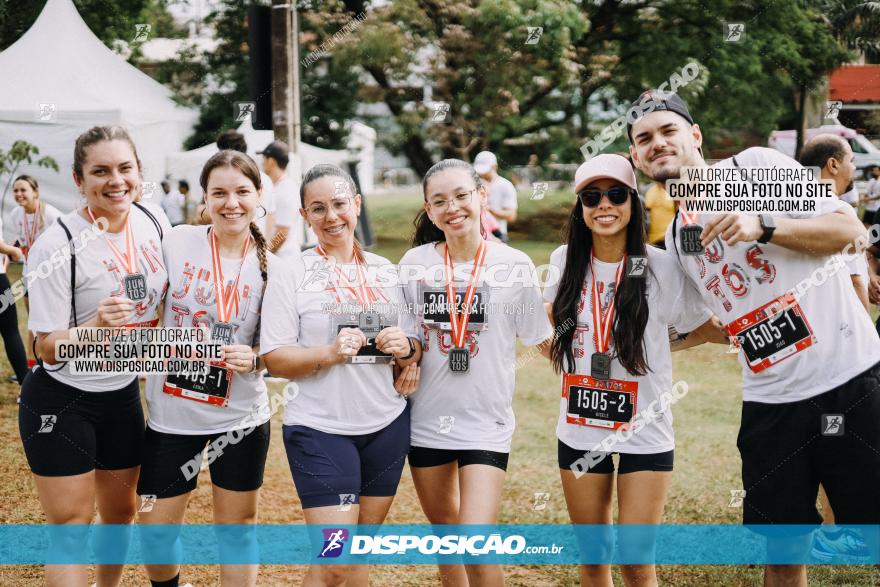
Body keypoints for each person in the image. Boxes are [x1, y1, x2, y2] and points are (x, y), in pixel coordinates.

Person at [628, 91, 880, 586]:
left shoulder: (753, 171)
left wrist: (763, 226)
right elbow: (705, 325)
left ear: (695, 136)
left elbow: (851, 231)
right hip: (771, 406)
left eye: (668, 131)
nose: (657, 144)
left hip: (850, 382)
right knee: (783, 557)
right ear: (636, 157)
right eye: (644, 139)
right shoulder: (680, 237)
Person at [543, 154, 722, 586]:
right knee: (593, 559)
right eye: (591, 197)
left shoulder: (662, 265)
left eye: (616, 194)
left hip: (646, 428)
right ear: (580, 208)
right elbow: (548, 318)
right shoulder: (564, 259)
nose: (604, 205)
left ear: (633, 202)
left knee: (637, 563)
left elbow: (703, 328)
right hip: (580, 428)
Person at [18, 126, 170, 586]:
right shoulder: (57, 243)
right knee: (71, 526)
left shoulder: (155, 219)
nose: (115, 180)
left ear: (139, 173)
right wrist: (96, 328)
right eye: (100, 171)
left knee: (121, 515)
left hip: (121, 395)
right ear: (79, 180)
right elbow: (46, 347)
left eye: (125, 168)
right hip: (61, 400)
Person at [261, 164, 420, 586]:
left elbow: (412, 344)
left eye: (339, 204)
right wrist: (328, 354)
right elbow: (275, 359)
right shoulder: (291, 272)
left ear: (357, 205)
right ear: (304, 216)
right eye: (318, 208)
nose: (331, 216)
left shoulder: (387, 271)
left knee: (352, 557)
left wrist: (407, 353)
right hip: (320, 429)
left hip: (385, 425)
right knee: (337, 559)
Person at [399, 159, 553, 586]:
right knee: (447, 537)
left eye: (462, 195)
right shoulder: (415, 263)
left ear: (481, 196)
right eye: (439, 201)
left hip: (487, 422)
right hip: (426, 421)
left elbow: (540, 337)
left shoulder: (515, 263)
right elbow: (407, 336)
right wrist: (404, 360)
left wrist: (590, 368)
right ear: (429, 211)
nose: (452, 208)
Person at [137, 150, 274, 587]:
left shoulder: (276, 268)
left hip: (241, 417)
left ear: (258, 196)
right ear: (205, 198)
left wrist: (255, 357)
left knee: (237, 532)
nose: (231, 202)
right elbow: (145, 298)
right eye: (219, 193)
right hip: (172, 416)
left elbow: (279, 348)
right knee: (155, 533)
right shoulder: (177, 240)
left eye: (241, 191)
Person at [799, 134, 870, 312]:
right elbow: (855, 281)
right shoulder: (836, 211)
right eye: (851, 160)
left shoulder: (796, 208)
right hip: (842, 321)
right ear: (833, 165)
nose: (854, 167)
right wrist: (867, 336)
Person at [9, 174, 62, 376]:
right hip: (28, 275)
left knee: (50, 320)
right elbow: (23, 243)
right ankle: (33, 365)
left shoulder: (51, 214)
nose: (19, 194)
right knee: (33, 320)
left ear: (35, 192)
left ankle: (51, 364)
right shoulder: (16, 214)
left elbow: (67, 243)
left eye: (23, 190)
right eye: (16, 190)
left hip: (50, 277)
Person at [217, 129, 275, 238]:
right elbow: (271, 217)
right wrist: (265, 246)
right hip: (257, 243)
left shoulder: (222, 179)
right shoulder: (265, 179)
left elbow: (205, 215)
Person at [259, 140, 304, 259]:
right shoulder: (280, 187)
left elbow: (282, 233)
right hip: (281, 257)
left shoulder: (286, 191)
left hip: (283, 259)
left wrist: (264, 256)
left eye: (264, 159)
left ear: (271, 161)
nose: (262, 163)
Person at [473, 151, 518, 241]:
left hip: (498, 236)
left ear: (494, 167)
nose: (481, 173)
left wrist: (488, 210)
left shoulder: (505, 185)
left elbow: (511, 216)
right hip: (476, 236)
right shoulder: (474, 184)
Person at [644, 181, 675, 248]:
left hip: (672, 238)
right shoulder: (651, 191)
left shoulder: (673, 190)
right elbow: (647, 217)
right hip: (655, 240)